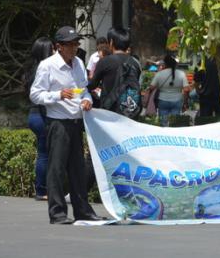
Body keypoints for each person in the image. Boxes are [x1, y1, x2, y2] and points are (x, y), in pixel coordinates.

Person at [30, 26, 102, 224]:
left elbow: (83, 89)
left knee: (77, 169)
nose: (74, 48)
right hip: (58, 122)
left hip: (76, 120)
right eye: (70, 45)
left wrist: (87, 100)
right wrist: (57, 95)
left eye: (76, 44)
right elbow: (35, 94)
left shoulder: (78, 62)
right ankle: (58, 213)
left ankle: (82, 211)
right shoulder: (47, 65)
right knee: (57, 168)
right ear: (58, 46)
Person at [24, 37, 54, 201]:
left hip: (33, 114)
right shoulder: (44, 69)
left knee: (43, 153)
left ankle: (43, 189)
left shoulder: (30, 69)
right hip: (42, 115)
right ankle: (42, 190)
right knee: (45, 154)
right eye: (51, 49)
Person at [87, 27, 140, 113]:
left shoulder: (105, 61)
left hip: (110, 110)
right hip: (129, 110)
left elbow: (93, 84)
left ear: (111, 42)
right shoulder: (136, 63)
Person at [149, 55, 188, 126]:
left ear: (165, 64)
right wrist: (185, 102)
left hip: (162, 101)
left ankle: (164, 135)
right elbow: (186, 89)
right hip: (177, 101)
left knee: (163, 124)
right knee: (174, 124)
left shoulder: (159, 74)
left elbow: (151, 88)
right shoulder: (181, 74)